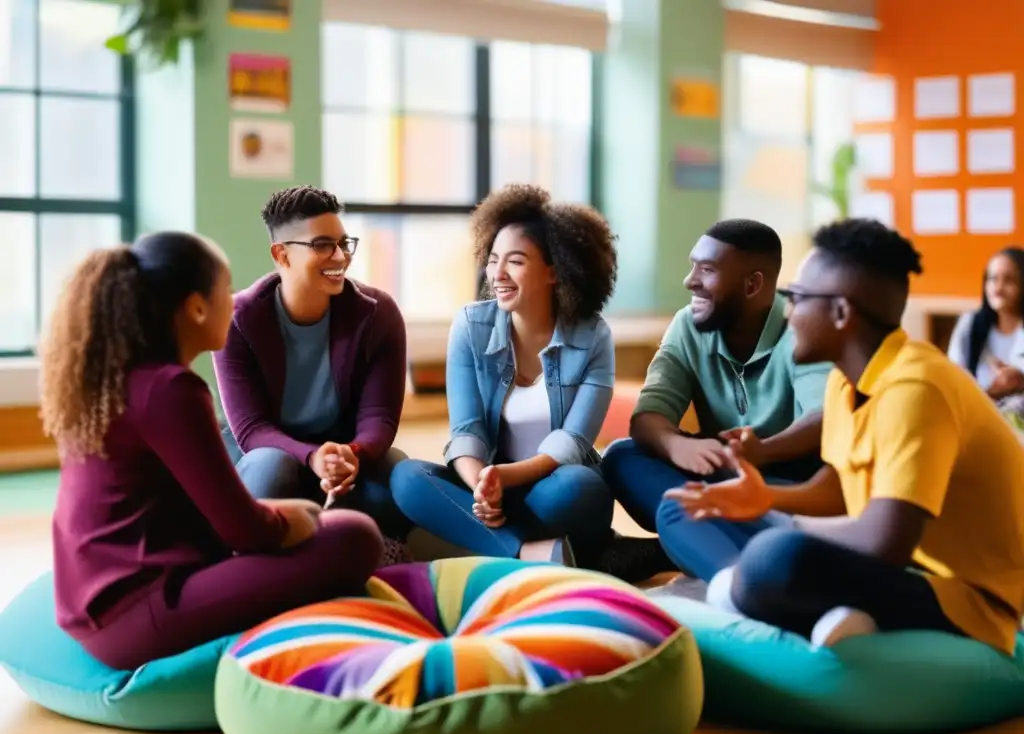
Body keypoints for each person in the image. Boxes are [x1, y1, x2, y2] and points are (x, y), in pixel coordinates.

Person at [670, 218, 1024, 653]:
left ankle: (805, 605)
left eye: (797, 298)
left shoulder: (917, 387)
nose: (788, 312)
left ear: (841, 313)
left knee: (776, 556)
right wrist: (767, 499)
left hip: (969, 600)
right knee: (737, 532)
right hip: (909, 572)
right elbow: (840, 487)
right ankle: (842, 617)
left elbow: (886, 540)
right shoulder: (847, 380)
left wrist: (788, 528)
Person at [40, 233, 384, 671]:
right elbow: (245, 532)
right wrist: (293, 519)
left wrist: (283, 515)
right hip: (134, 615)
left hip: (98, 601)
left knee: (311, 521)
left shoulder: (116, 380)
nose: (235, 301)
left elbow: (207, 512)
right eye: (226, 289)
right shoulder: (171, 389)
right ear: (197, 307)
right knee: (354, 535)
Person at [389, 184, 618, 566]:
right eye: (493, 259)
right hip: (489, 488)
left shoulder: (593, 336)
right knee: (407, 478)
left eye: (515, 261)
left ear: (554, 271)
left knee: (584, 485)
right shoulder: (470, 325)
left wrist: (505, 479)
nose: (497, 274)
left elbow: (574, 441)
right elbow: (467, 430)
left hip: (551, 489)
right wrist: (481, 485)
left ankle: (472, 542)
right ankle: (534, 552)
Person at [601, 219, 831, 581]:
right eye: (694, 266)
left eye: (707, 270)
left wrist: (764, 451)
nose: (690, 280)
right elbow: (649, 414)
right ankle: (720, 542)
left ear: (753, 284)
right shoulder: (687, 324)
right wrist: (676, 445)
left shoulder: (803, 326)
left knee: (674, 511)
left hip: (787, 483)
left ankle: (681, 550)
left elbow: (824, 417)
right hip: (719, 472)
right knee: (620, 456)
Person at [212, 186, 412, 563]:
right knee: (270, 468)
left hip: (344, 462)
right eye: (322, 245)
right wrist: (311, 456)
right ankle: (249, 565)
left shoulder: (378, 313)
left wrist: (351, 454)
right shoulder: (237, 319)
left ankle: (366, 549)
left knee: (401, 477)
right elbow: (252, 429)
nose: (340, 256)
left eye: (343, 243)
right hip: (268, 456)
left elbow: (379, 418)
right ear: (281, 254)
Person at [947, 247, 1024, 418]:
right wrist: (994, 392)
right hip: (977, 422)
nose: (998, 287)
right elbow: (953, 381)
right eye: (992, 279)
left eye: (1009, 280)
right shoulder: (971, 324)